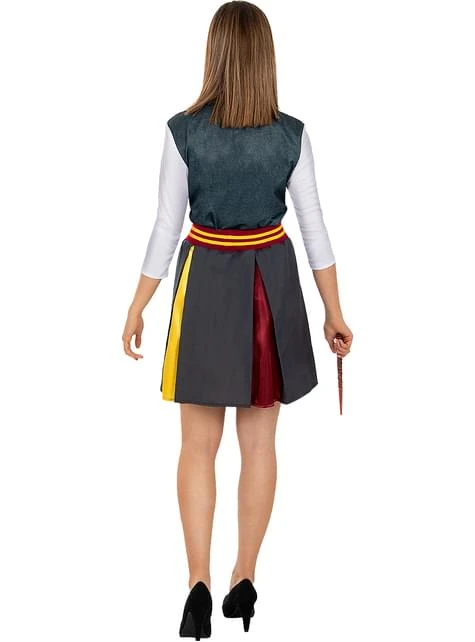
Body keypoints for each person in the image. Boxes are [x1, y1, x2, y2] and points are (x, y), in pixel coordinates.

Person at [122, 1, 353, 638]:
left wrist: (139, 303)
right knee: (259, 445)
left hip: (203, 282)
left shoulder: (182, 132)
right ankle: (244, 577)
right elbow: (314, 229)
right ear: (266, 57)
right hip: (268, 287)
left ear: (215, 53)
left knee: (197, 446)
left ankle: (197, 583)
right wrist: (334, 312)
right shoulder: (292, 135)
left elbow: (166, 226)